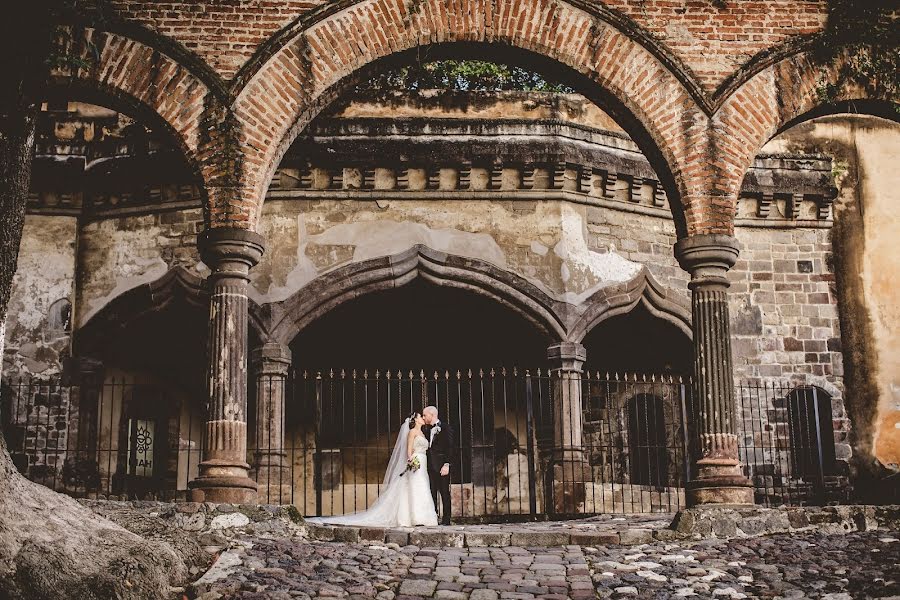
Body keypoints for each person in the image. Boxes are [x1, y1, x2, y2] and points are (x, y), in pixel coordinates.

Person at [307, 412, 438, 527]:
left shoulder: (422, 432)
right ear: (415, 420)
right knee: (414, 487)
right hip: (415, 462)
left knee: (422, 486)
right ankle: (414, 517)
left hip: (423, 462)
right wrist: (411, 461)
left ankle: (424, 516)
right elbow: (409, 450)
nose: (422, 418)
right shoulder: (412, 432)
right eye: (421, 416)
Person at [422, 405, 454, 526]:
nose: (424, 417)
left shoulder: (445, 428)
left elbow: (450, 447)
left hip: (441, 466)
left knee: (444, 492)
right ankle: (433, 517)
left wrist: (447, 464)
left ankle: (446, 520)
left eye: (425, 415)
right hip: (429, 466)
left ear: (432, 414)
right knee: (431, 492)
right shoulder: (426, 430)